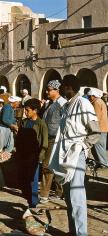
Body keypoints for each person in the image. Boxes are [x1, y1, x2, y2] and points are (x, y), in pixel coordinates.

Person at [49, 75, 100, 236]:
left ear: (69, 87)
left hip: (76, 154)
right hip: (66, 155)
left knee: (77, 195)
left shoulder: (83, 103)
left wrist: (83, 146)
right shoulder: (68, 105)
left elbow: (95, 131)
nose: (61, 89)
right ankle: (73, 231)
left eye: (62, 86)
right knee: (69, 197)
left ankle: (81, 233)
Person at [15, 98, 48, 209]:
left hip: (34, 157)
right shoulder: (24, 122)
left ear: (35, 110)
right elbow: (19, 138)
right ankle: (29, 198)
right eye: (25, 110)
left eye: (28, 110)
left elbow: (44, 143)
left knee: (33, 180)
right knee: (24, 179)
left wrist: (40, 157)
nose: (25, 112)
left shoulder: (41, 124)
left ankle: (33, 203)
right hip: (23, 156)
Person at [40, 80, 67, 203]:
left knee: (47, 166)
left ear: (57, 90)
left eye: (49, 89)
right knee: (55, 166)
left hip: (55, 139)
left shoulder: (62, 104)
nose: (47, 91)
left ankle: (44, 194)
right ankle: (60, 191)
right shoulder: (50, 103)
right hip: (49, 138)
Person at [87, 88, 108, 168]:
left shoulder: (97, 103)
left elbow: (96, 117)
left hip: (100, 128)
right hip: (102, 128)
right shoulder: (99, 101)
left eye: (90, 96)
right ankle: (100, 163)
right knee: (98, 147)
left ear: (93, 96)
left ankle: (103, 164)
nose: (89, 98)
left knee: (99, 147)